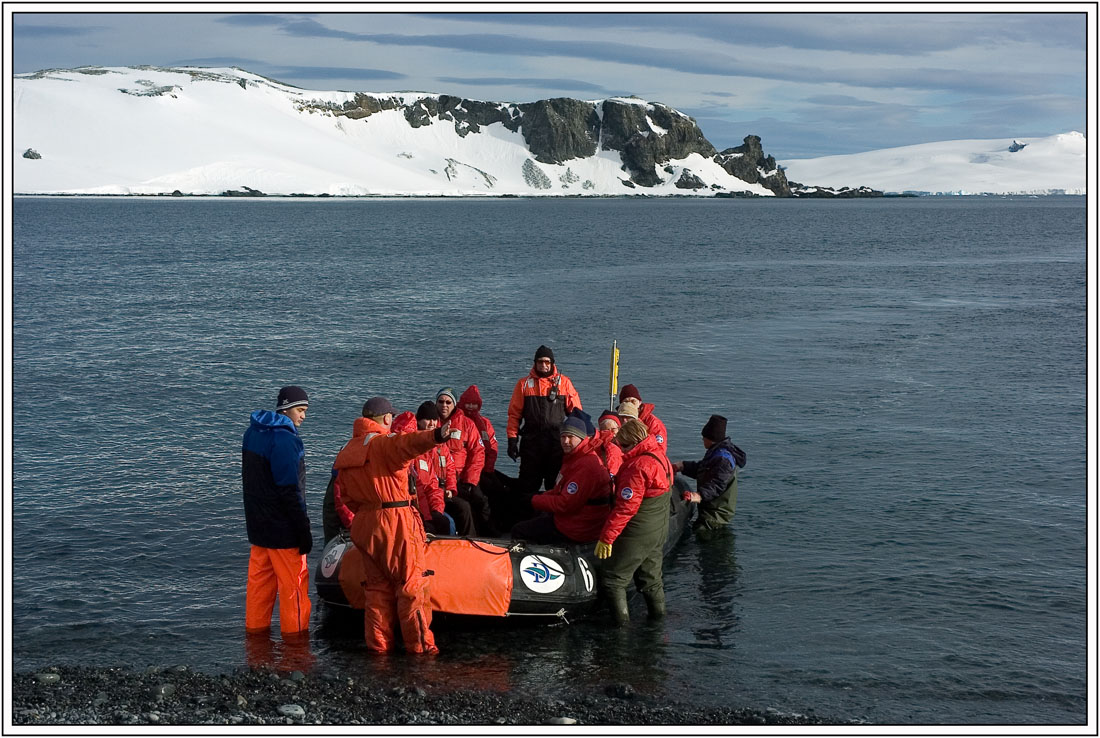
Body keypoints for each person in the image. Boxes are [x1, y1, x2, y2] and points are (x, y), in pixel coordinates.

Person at [331, 396, 452, 654]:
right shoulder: (384, 444)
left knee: (376, 591)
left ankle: (379, 652)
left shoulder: (347, 451)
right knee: (411, 587)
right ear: (387, 419)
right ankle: (420, 651)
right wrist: (436, 436)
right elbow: (408, 442)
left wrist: (368, 514)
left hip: (365, 524)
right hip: (395, 522)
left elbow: (346, 498)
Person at [241, 385, 313, 636]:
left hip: (258, 528)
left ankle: (255, 643)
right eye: (300, 410)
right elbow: (289, 490)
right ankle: (296, 649)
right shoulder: (286, 440)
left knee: (259, 587)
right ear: (286, 409)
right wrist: (303, 528)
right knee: (293, 588)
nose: (303, 416)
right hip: (283, 531)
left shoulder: (252, 433)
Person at [595, 418, 674, 625]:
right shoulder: (660, 456)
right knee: (651, 579)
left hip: (640, 530)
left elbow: (625, 508)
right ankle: (658, 622)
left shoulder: (637, 466)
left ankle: (620, 631)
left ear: (630, 443)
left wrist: (607, 537)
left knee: (613, 579)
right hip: (659, 528)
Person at [510, 415, 615, 544]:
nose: (565, 441)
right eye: (563, 437)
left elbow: (564, 504)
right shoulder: (575, 458)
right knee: (535, 512)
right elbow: (559, 490)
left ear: (582, 438)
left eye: (571, 437)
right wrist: (535, 497)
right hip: (577, 519)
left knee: (519, 530)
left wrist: (533, 500)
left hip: (578, 529)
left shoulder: (586, 466)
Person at [506, 345, 583, 495]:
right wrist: (512, 440)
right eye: (540, 362)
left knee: (555, 485)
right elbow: (514, 415)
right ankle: (525, 515)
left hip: (556, 444)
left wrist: (579, 442)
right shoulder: (523, 384)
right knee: (527, 485)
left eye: (547, 362)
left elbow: (576, 415)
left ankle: (553, 517)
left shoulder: (564, 383)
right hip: (531, 443)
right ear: (535, 363)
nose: (544, 365)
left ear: (552, 363)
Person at [672, 414, 747, 532]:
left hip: (716, 513)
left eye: (703, 438)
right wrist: (682, 466)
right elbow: (704, 469)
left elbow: (718, 483)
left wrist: (699, 495)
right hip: (710, 509)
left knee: (702, 533)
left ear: (710, 439)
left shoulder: (723, 459)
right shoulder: (716, 452)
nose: (702, 440)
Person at [436, 387, 494, 535]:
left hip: (462, 478)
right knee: (464, 507)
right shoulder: (431, 423)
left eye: (448, 402)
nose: (444, 405)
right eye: (441, 401)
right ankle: (469, 538)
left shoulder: (467, 424)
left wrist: (470, 481)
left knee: (481, 501)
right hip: (438, 480)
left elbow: (478, 452)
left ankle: (487, 535)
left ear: (454, 404)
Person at [416, 401, 475, 537]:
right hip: (427, 496)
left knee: (465, 507)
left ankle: (470, 541)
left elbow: (450, 468)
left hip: (441, 493)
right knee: (448, 521)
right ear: (419, 421)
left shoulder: (441, 446)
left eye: (434, 420)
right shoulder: (416, 446)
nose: (431, 423)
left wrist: (450, 488)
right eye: (427, 419)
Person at [392, 411, 455, 536]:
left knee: (445, 522)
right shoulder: (391, 460)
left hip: (425, 511)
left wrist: (436, 510)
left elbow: (432, 486)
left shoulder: (422, 456)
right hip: (404, 514)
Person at [616, 384, 669, 455]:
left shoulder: (653, 422)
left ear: (639, 402)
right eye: (626, 401)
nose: (630, 404)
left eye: (633, 401)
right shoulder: (618, 420)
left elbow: (660, 449)